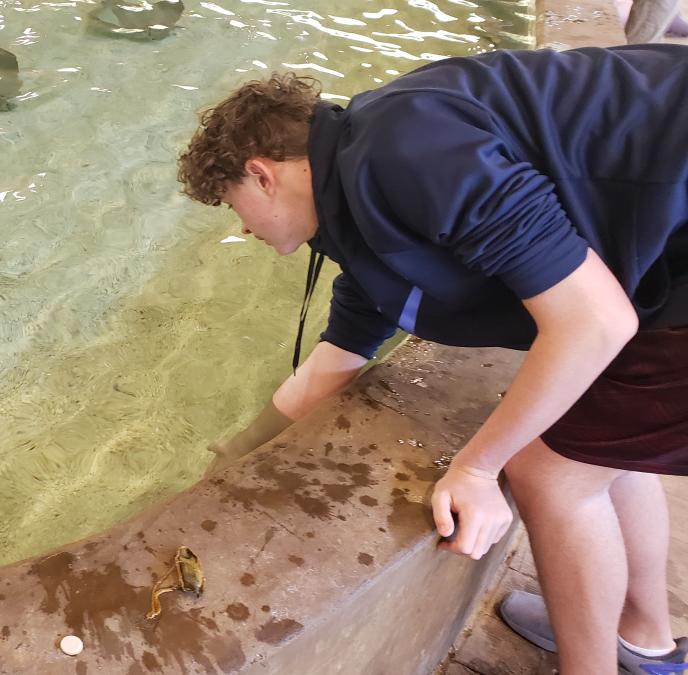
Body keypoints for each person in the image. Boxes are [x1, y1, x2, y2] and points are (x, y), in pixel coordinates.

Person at [177, 45, 687, 674]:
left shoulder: (404, 150)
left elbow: (596, 320)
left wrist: (477, 469)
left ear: (261, 174)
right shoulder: (364, 192)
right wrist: (225, 468)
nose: (244, 229)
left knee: (547, 475)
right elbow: (331, 366)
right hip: (666, 251)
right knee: (603, 447)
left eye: (233, 206)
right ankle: (640, 637)